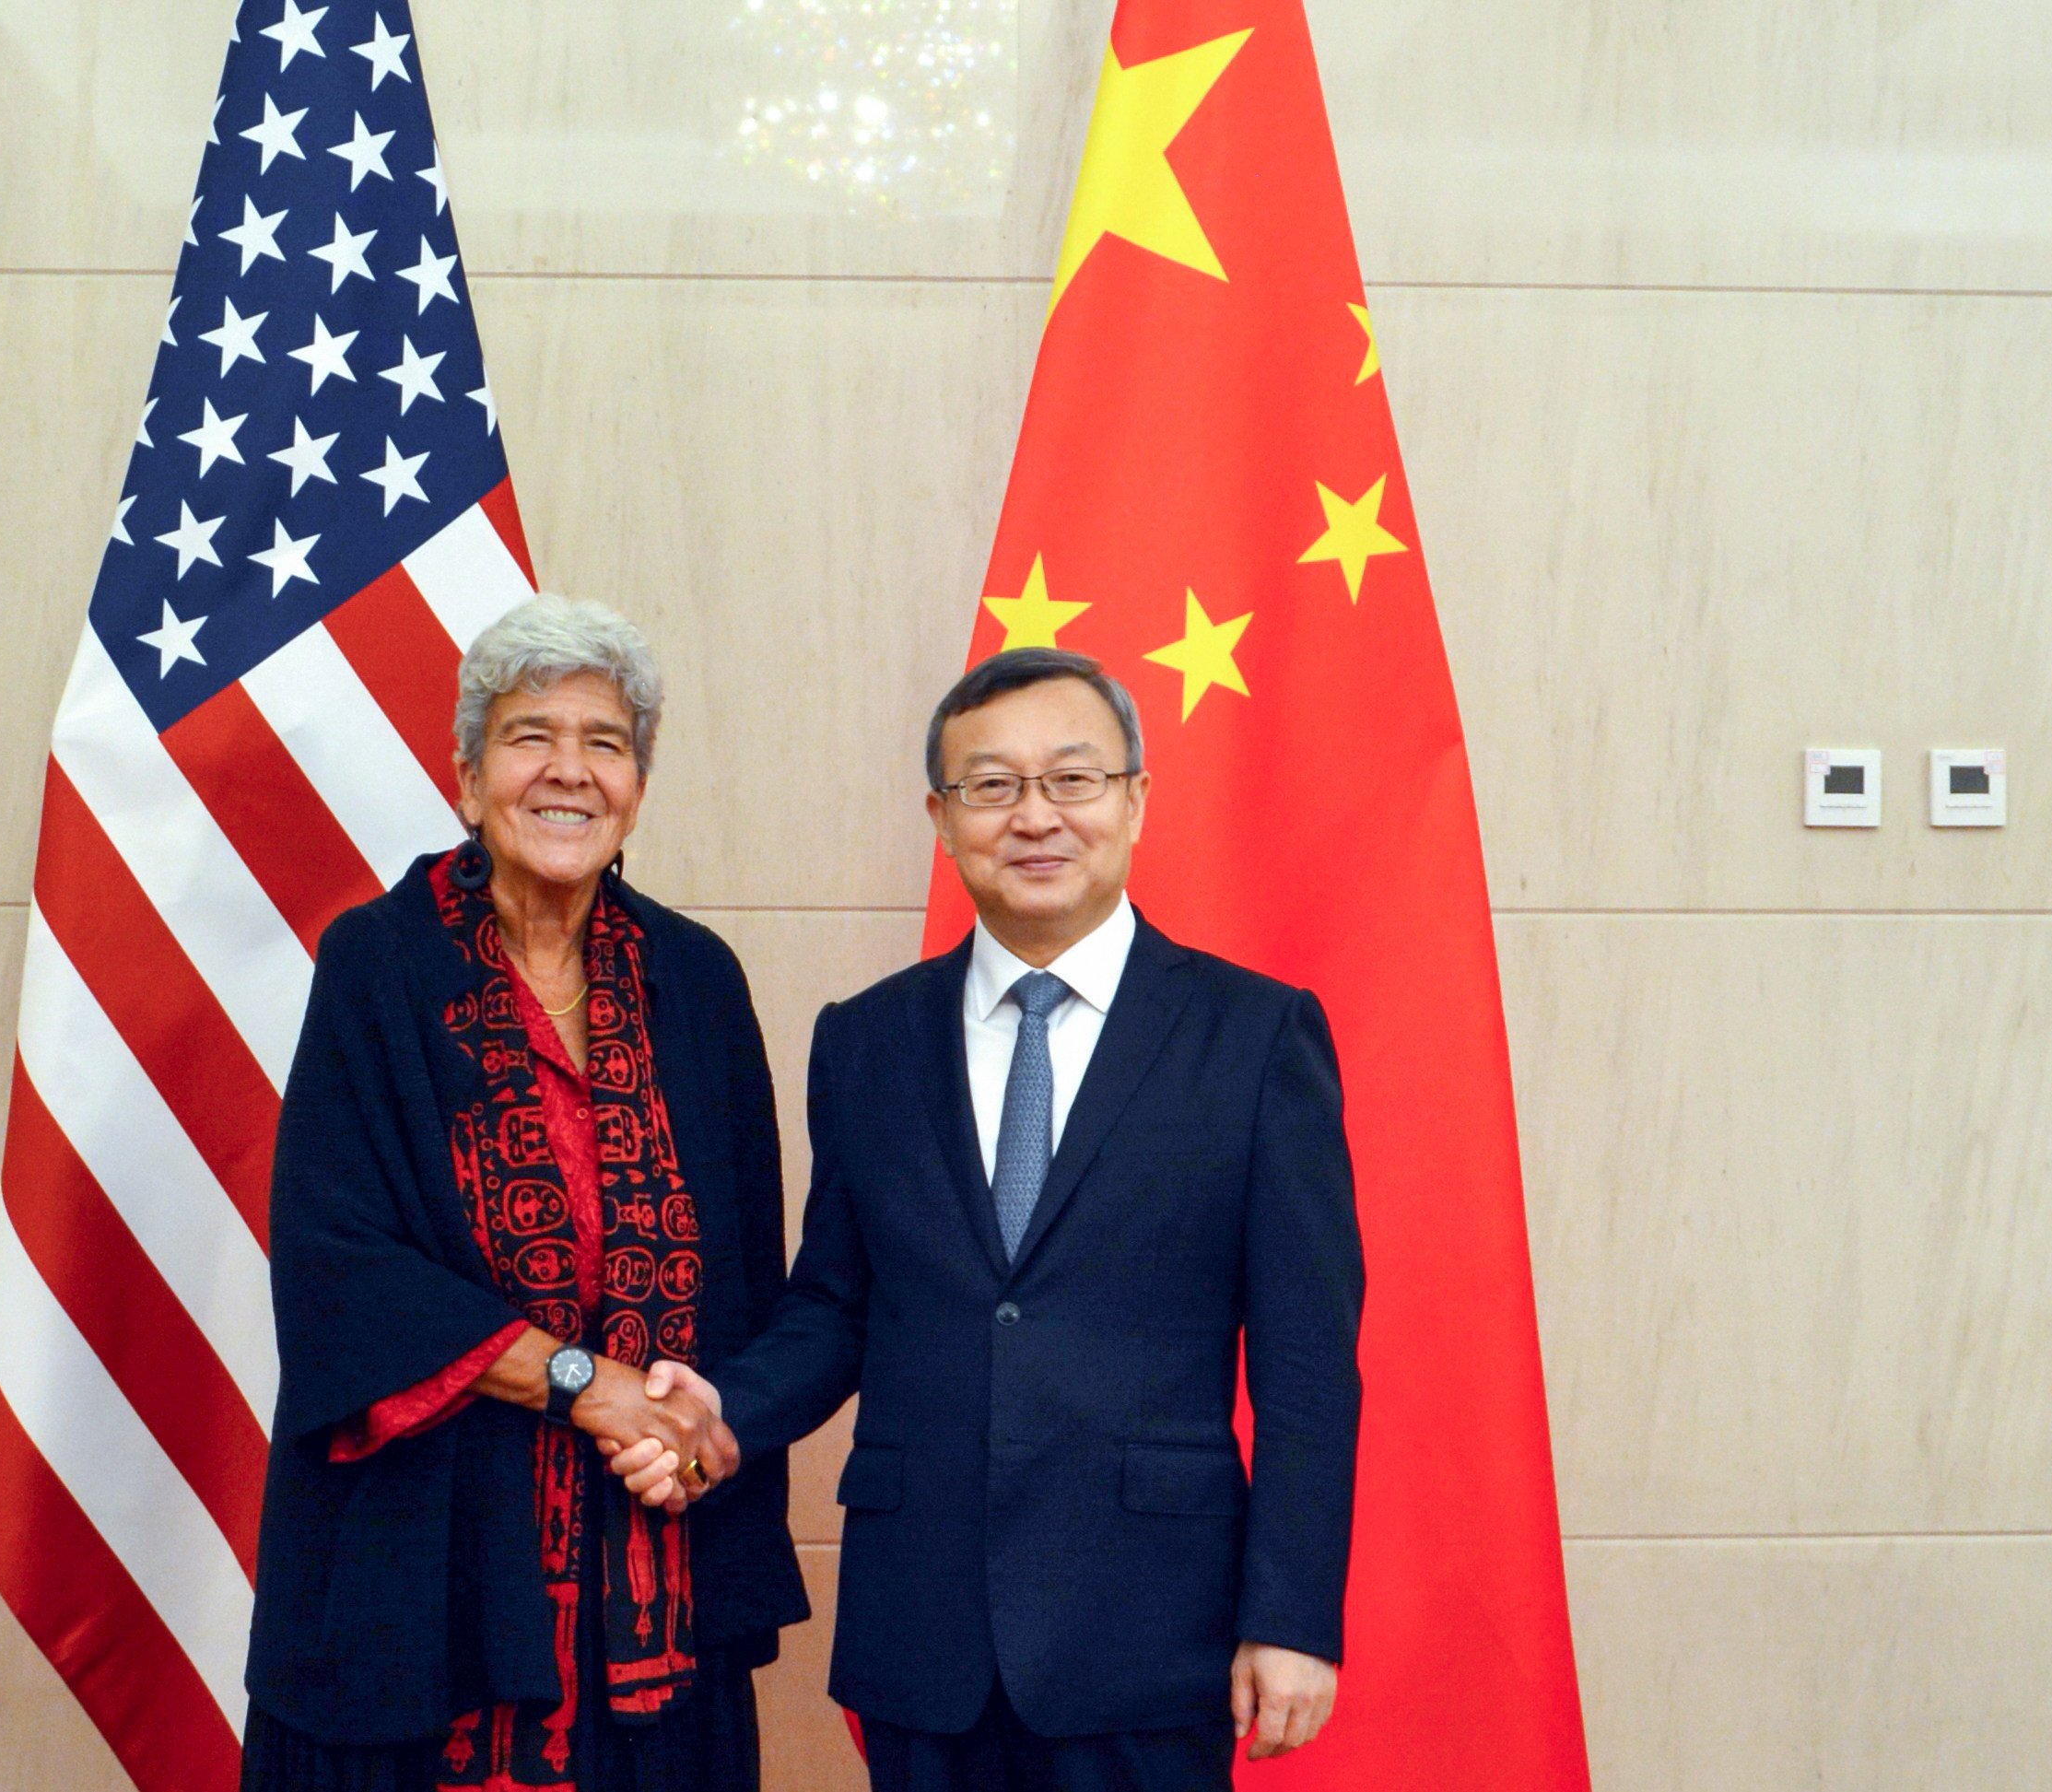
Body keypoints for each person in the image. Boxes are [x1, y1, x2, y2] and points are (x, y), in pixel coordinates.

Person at [613, 647, 1364, 1790]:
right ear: (942, 817)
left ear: (1134, 799)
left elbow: (1309, 1363)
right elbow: (835, 1306)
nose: (1034, 816)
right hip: (923, 1628)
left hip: (1153, 1632)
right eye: (992, 785)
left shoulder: (1255, 1037)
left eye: (1072, 779)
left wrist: (1294, 1615)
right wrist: (727, 1402)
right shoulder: (866, 1039)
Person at [241, 594, 809, 1792]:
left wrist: (703, 1428)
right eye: (528, 735)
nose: (568, 770)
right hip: (421, 1586)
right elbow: (341, 1269)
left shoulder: (699, 983)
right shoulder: (377, 964)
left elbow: (750, 1285)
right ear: (466, 778)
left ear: (638, 788)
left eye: (604, 741)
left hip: (652, 1582)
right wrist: (588, 1388)